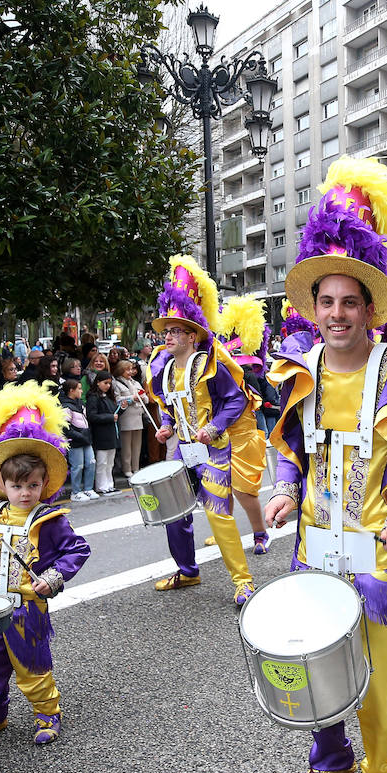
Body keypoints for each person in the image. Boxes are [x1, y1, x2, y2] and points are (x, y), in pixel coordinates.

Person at [263, 157, 387, 773]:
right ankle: (331, 758)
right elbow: (289, 447)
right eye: (326, 302)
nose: (337, 314)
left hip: (379, 554)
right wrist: (283, 488)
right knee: (315, 667)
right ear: (311, 309)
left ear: (371, 308)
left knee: (382, 683)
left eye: (350, 302)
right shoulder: (295, 371)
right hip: (315, 550)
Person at [0, 382, 91, 748]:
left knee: (33, 666)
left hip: (28, 607)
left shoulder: (52, 519)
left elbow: (78, 550)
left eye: (32, 485)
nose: (24, 492)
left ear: (44, 486)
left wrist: (54, 578)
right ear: (2, 484)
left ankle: (48, 713)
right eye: (17, 486)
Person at [148, 257, 257, 605]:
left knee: (217, 513)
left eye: (175, 331)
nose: (167, 336)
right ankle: (187, 571)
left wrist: (213, 427)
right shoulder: (163, 371)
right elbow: (168, 408)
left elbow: (236, 401)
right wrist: (166, 428)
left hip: (214, 449)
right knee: (173, 512)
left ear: (192, 336)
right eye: (165, 331)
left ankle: (243, 581)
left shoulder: (210, 366)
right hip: (182, 449)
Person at [212, 294, 275, 555]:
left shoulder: (247, 364)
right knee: (217, 488)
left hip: (244, 430)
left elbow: (245, 394)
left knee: (243, 489)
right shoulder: (207, 359)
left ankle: (260, 532)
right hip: (216, 431)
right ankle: (224, 530)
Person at [59, 380, 97, 500]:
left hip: (86, 439)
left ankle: (88, 488)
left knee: (91, 463)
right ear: (71, 390)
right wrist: (79, 436)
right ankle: (75, 492)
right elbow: (65, 428)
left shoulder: (80, 403)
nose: (81, 391)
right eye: (79, 389)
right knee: (77, 466)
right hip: (75, 441)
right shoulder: (65, 406)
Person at [111, 360, 148, 479]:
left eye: (131, 369)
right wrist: (132, 398)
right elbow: (117, 399)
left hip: (138, 416)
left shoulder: (136, 382)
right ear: (121, 370)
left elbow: (146, 398)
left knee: (137, 445)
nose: (130, 372)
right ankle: (127, 468)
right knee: (126, 445)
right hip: (126, 417)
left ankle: (135, 467)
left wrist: (142, 397)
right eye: (127, 369)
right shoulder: (116, 383)